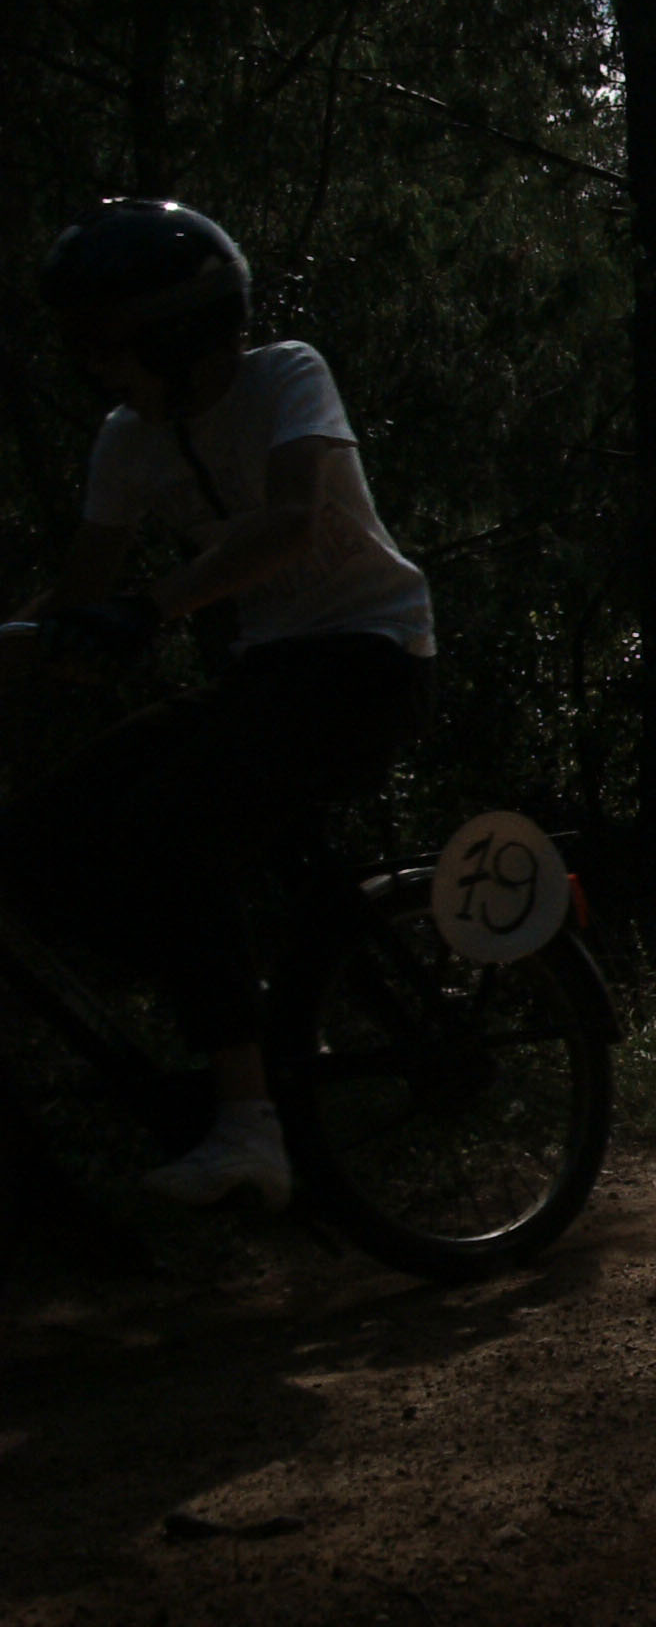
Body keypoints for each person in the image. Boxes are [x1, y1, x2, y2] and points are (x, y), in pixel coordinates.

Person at [2, 201, 436, 1210]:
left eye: (106, 343)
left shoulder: (285, 375)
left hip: (370, 659)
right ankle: (250, 1019)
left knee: (174, 830)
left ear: (178, 332)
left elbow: (291, 521)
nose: (92, 368)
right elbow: (76, 597)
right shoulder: (126, 439)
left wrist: (146, 610)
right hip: (265, 671)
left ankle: (249, 1132)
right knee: (42, 840)